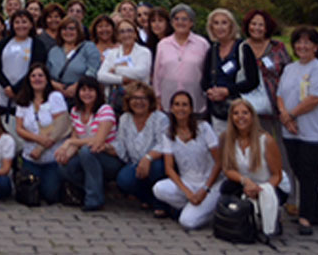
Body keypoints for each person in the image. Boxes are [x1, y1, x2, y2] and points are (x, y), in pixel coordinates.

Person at [277, 26, 318, 235]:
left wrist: (290, 115)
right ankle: (316, 213)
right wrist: (284, 115)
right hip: (292, 131)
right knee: (301, 172)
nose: (302, 46)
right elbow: (280, 95)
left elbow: (315, 98)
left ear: (316, 46)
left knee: (309, 172)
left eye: (307, 42)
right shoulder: (290, 69)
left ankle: (306, 217)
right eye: (299, 42)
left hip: (316, 132)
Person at [242, 9, 296, 212]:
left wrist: (288, 109)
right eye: (253, 24)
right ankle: (263, 194)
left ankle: (291, 197)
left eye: (261, 25)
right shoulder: (241, 47)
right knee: (258, 154)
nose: (256, 28)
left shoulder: (277, 48)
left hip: (278, 108)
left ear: (268, 28)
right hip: (251, 111)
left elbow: (289, 75)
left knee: (283, 153)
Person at [152, 91, 223, 229]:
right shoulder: (168, 133)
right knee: (159, 189)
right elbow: (169, 169)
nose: (181, 108)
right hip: (188, 182)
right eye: (177, 105)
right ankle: (193, 205)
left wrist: (205, 189)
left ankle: (210, 207)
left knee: (187, 222)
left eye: (185, 105)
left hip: (210, 183)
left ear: (191, 109)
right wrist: (188, 193)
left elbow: (219, 162)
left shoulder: (204, 128)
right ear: (171, 108)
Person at [220, 99, 291, 235]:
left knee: (264, 200)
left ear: (252, 116)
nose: (240, 117)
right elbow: (228, 169)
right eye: (236, 113)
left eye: (245, 113)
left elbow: (277, 175)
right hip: (248, 182)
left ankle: (273, 213)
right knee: (226, 188)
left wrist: (260, 190)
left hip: (270, 185)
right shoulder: (227, 139)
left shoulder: (266, 140)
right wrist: (245, 182)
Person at [57, 76, 123, 211]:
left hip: (108, 157)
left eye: (91, 90)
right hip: (87, 157)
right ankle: (94, 188)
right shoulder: (75, 111)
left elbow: (98, 141)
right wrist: (65, 154)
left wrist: (69, 142)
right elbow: (76, 141)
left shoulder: (105, 110)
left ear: (98, 93)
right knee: (64, 164)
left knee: (88, 151)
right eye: (83, 90)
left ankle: (94, 200)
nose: (87, 94)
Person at [13, 64, 69, 204]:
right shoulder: (23, 101)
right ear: (29, 79)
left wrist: (42, 147)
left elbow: (61, 127)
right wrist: (38, 139)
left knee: (49, 195)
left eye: (40, 75)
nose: (37, 79)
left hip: (52, 157)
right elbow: (19, 129)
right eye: (33, 76)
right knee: (31, 194)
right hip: (31, 157)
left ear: (47, 79)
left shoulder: (55, 97)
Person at [111, 82, 170, 216]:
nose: (139, 102)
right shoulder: (125, 118)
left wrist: (148, 158)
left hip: (155, 161)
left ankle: (159, 202)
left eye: (143, 98)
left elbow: (165, 145)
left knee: (157, 168)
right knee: (123, 179)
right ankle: (145, 197)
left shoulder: (160, 118)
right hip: (135, 164)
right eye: (134, 98)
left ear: (150, 101)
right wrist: (106, 147)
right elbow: (120, 145)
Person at [201, 8, 260, 133]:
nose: (220, 27)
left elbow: (253, 81)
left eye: (224, 23)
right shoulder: (212, 50)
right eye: (216, 23)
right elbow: (205, 80)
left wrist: (227, 91)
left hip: (240, 110)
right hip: (218, 110)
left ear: (231, 26)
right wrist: (210, 91)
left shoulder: (243, 48)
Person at [152, 4, 209, 114]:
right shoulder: (163, 44)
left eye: (184, 19)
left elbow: (207, 71)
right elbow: (157, 73)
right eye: (176, 19)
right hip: (168, 100)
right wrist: (157, 95)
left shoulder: (202, 44)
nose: (180, 22)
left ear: (191, 22)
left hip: (195, 100)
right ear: (172, 23)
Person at [0, 10, 48, 111]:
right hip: (3, 94)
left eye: (24, 22)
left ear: (31, 24)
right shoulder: (4, 42)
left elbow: (36, 68)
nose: (20, 25)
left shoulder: (37, 44)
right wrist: (6, 86)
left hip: (26, 93)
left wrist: (15, 89)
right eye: (17, 22)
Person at [97, 19, 152, 113]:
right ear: (118, 36)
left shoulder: (144, 52)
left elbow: (141, 73)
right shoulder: (112, 53)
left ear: (135, 33)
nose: (126, 34)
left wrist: (116, 69)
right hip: (115, 100)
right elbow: (101, 76)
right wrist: (122, 80)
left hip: (139, 100)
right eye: (122, 31)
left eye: (129, 30)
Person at [46, 15, 101, 104]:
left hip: (82, 95)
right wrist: (54, 84)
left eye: (71, 29)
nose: (68, 32)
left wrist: (77, 86)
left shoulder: (88, 47)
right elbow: (46, 73)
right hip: (57, 95)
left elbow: (92, 70)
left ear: (78, 31)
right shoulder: (54, 51)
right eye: (64, 29)